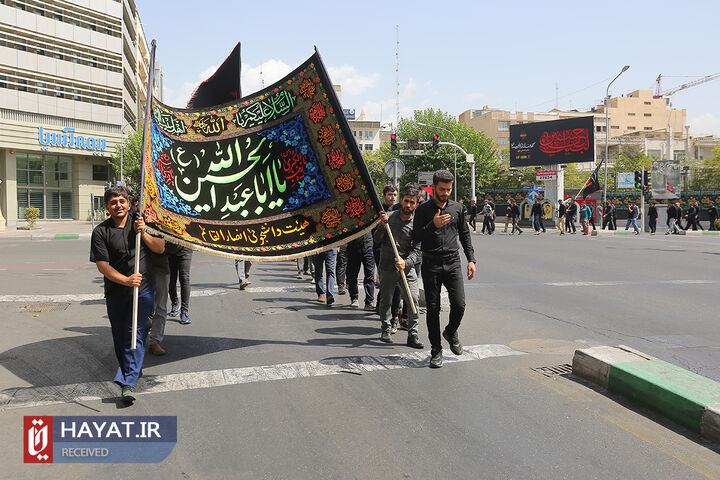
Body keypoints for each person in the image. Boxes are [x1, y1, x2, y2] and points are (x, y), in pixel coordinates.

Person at [90, 186, 165, 403]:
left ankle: (128, 382)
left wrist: (144, 232)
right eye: (113, 202)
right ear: (106, 206)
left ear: (127, 202)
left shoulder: (141, 222)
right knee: (121, 335)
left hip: (143, 290)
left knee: (137, 332)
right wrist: (125, 280)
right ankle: (131, 368)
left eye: (122, 201)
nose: (118, 205)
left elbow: (159, 248)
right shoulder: (100, 232)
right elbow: (102, 266)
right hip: (116, 291)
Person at [412, 170, 476, 369]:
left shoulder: (458, 208)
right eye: (442, 189)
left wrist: (471, 259)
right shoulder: (423, 210)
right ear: (434, 188)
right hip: (430, 263)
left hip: (453, 261)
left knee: (460, 304)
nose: (446, 193)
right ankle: (436, 349)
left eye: (449, 189)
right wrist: (433, 224)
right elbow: (416, 236)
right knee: (432, 308)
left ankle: (450, 331)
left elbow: (464, 234)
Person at [374, 183, 424, 348]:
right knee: (386, 300)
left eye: (412, 202)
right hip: (387, 266)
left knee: (413, 299)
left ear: (416, 204)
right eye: (406, 201)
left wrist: (406, 262)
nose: (408, 205)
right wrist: (382, 225)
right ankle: (386, 327)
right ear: (401, 200)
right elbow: (376, 239)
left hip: (407, 269)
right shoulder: (389, 217)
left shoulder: (418, 223)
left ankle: (413, 334)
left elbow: (417, 252)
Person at [346, 232, 376, 310]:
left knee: (370, 274)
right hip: (353, 246)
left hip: (368, 246)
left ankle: (369, 301)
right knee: (352, 274)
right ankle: (354, 298)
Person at [168, 245, 192, 325]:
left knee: (184, 278)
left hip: (185, 248)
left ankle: (184, 311)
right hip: (169, 248)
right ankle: (175, 303)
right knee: (171, 279)